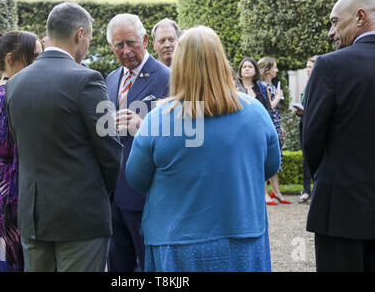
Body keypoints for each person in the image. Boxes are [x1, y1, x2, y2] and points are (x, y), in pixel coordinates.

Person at [125, 26, 280, 272]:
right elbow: (269, 166)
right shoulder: (256, 113)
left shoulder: (157, 120)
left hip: (176, 243)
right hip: (243, 236)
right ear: (221, 60)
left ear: (180, 64)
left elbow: (136, 178)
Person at [5, 2, 123, 272]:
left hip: (33, 217)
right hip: (81, 217)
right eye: (89, 39)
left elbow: (21, 147)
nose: (87, 46)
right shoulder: (88, 80)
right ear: (79, 34)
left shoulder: (14, 84)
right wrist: (100, 193)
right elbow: (110, 150)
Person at [302, 0, 375, 272]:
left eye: (335, 22)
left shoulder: (331, 65)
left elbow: (311, 139)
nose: (331, 32)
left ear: (360, 17)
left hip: (341, 211)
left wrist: (333, 178)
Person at [105, 13, 170, 272]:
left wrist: (144, 127)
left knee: (150, 266)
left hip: (147, 195)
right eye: (119, 45)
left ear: (144, 40)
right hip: (112, 196)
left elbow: (187, 136)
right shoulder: (110, 79)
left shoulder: (167, 77)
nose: (126, 50)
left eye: (131, 42)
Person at [0, 30, 42, 272]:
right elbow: (6, 145)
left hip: (8, 184)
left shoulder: (7, 89)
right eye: (34, 56)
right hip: (10, 189)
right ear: (11, 58)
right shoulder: (7, 94)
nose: (39, 62)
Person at [258, 57, 291, 205]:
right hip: (267, 125)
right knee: (266, 158)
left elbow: (276, 110)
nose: (277, 70)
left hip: (276, 125)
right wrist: (278, 97)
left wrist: (281, 126)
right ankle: (265, 193)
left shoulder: (271, 85)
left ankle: (276, 192)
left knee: (276, 159)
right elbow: (268, 107)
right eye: (275, 67)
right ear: (267, 69)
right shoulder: (261, 86)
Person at [296, 56, 316, 204]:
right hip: (304, 123)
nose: (308, 70)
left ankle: (316, 191)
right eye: (307, 67)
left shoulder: (320, 83)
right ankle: (306, 191)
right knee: (306, 159)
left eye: (310, 67)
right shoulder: (307, 84)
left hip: (315, 124)